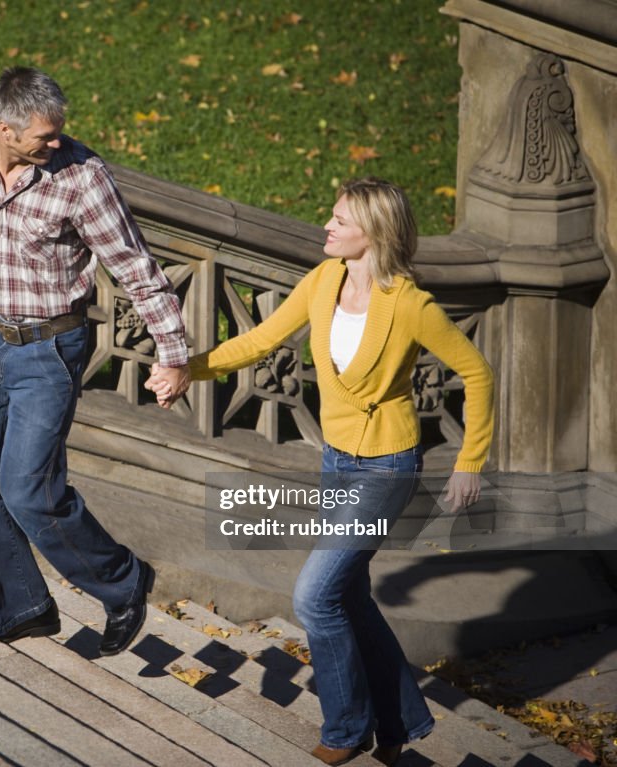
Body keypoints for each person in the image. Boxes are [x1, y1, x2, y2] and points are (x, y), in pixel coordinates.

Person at [147, 178, 493, 765]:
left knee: (313, 597)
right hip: (335, 460)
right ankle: (402, 718)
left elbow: (478, 373)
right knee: (349, 596)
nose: (325, 227)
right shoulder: (323, 280)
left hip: (387, 467)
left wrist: (469, 462)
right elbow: (259, 341)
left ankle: (346, 729)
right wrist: (188, 370)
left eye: (339, 221)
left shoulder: (410, 305)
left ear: (374, 234)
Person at [0, 67, 191, 656]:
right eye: (44, 136)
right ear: (5, 127)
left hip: (49, 351)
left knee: (29, 492)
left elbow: (136, 268)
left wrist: (172, 356)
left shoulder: (81, 176)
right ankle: (22, 608)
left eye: (59, 132)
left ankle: (123, 584)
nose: (56, 143)